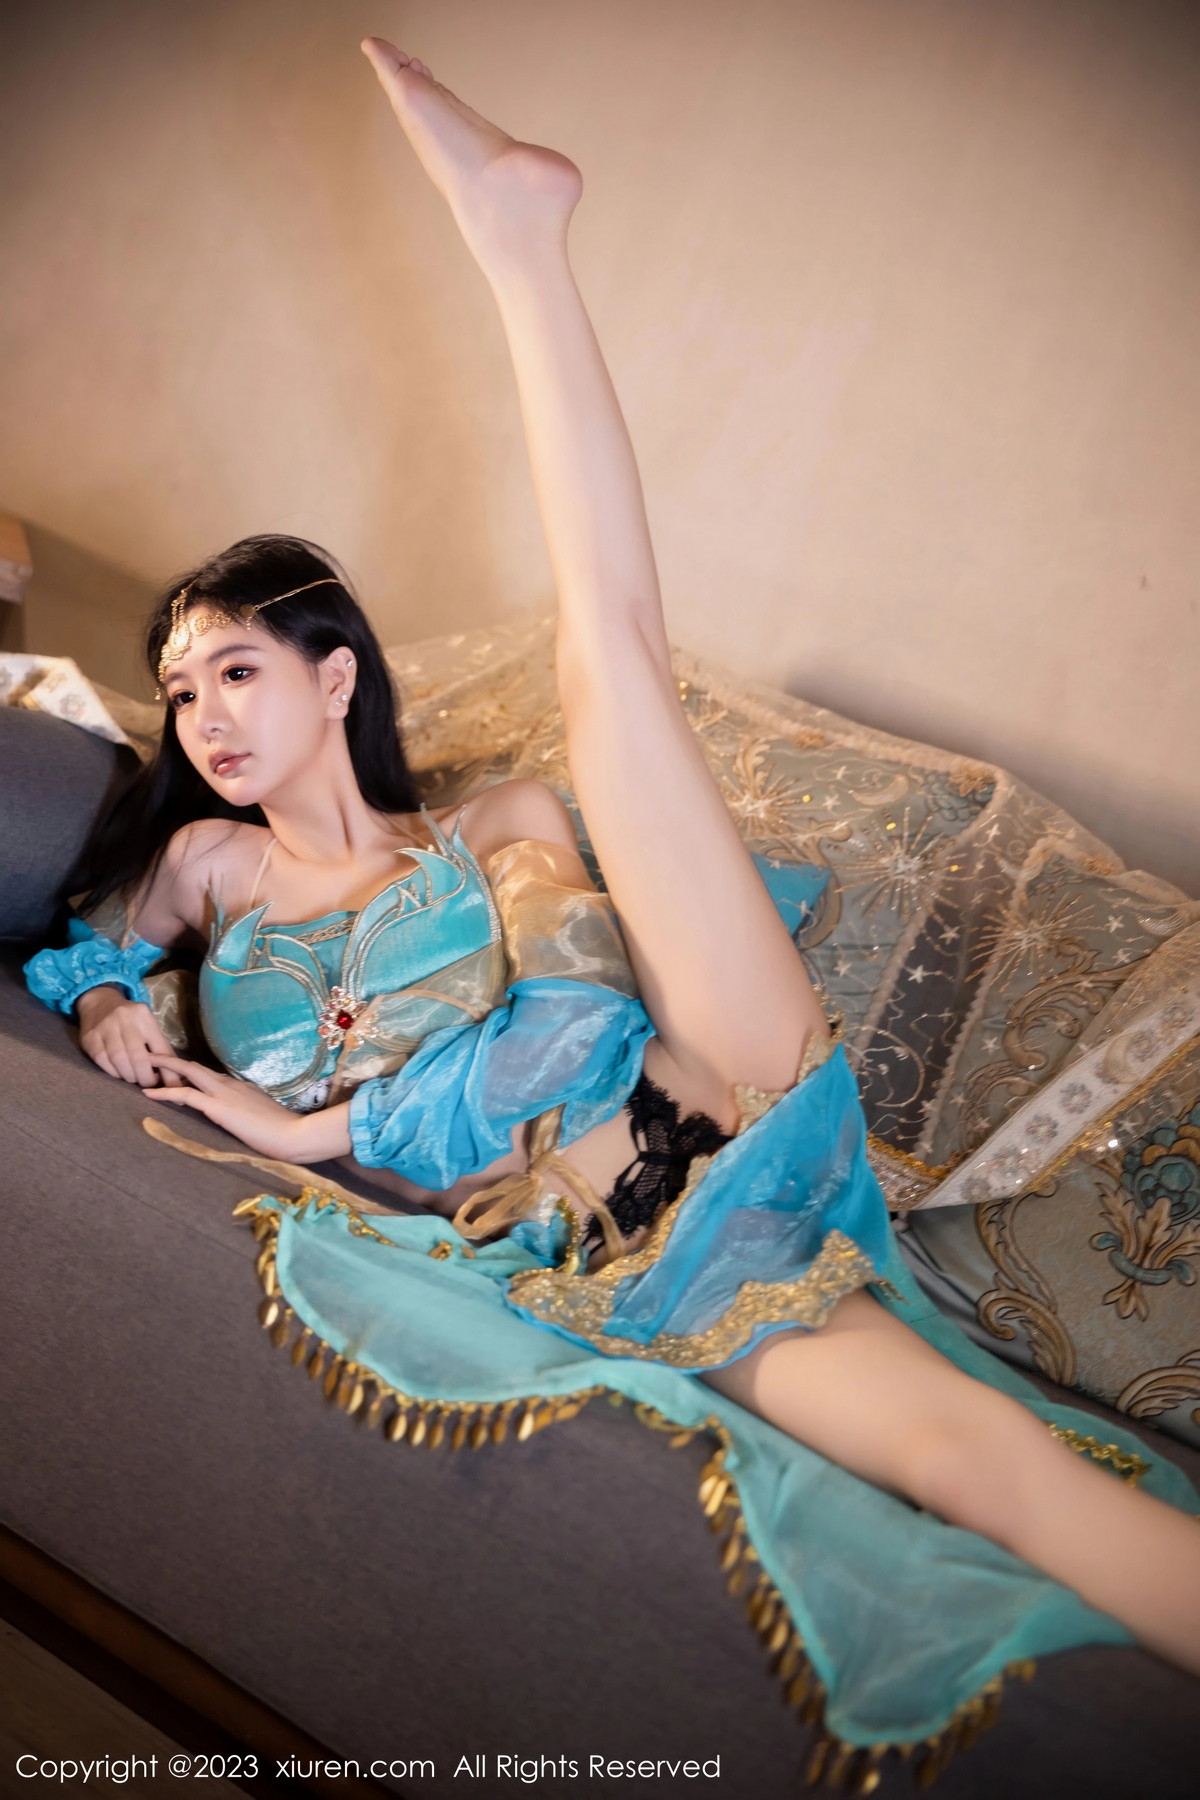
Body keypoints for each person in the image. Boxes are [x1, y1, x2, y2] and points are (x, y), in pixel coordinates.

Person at [25, 36, 1200, 1700]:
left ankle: (520, 242)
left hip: (710, 1089)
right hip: (620, 1247)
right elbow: (85, 947)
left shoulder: (497, 831)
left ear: (334, 678)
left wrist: (308, 1127)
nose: (202, 713)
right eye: (178, 686)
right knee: (977, 1466)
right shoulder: (203, 871)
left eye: (235, 669)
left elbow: (568, 1024)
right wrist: (108, 1007)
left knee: (611, 670)